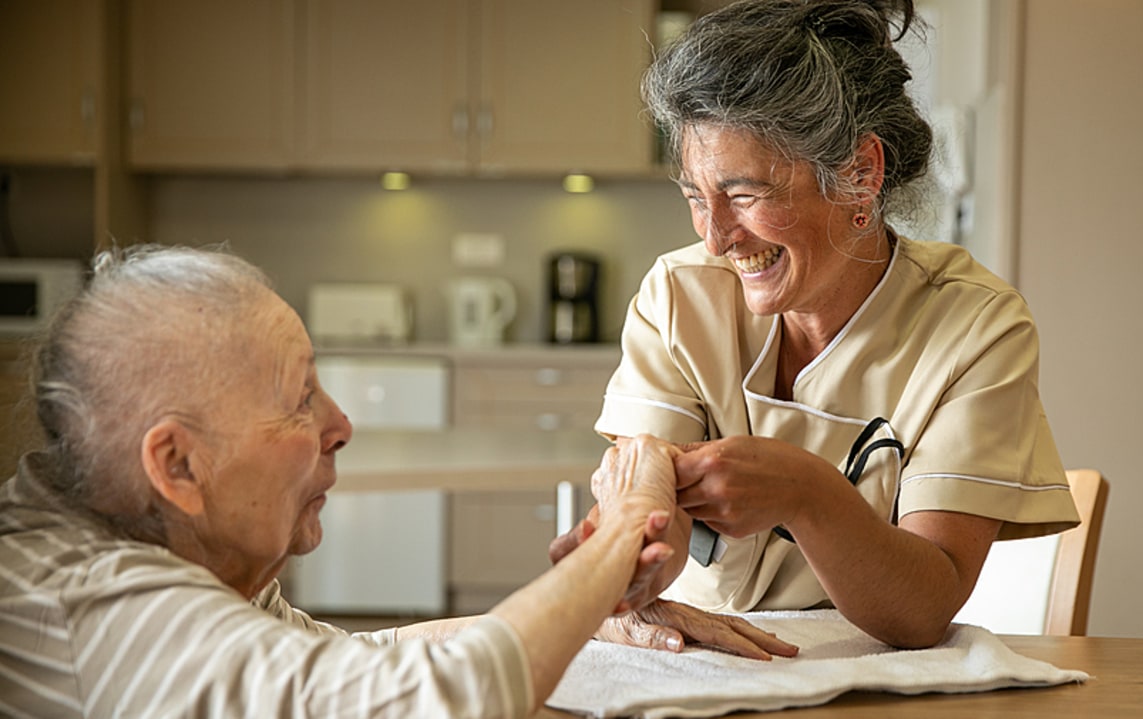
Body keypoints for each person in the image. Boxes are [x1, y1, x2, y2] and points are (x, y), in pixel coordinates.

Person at [0, 244, 795, 718]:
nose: (339, 423)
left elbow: (350, 660)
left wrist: (593, 621)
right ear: (177, 465)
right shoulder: (89, 607)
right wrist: (619, 537)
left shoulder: (168, 543)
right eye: (299, 397)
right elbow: (428, 700)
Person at [555, 0, 1081, 651]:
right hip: (700, 667)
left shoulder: (974, 327)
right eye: (696, 195)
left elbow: (922, 610)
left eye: (744, 194)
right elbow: (651, 530)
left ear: (860, 176)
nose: (715, 238)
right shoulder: (677, 298)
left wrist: (806, 493)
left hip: (874, 681)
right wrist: (628, 563)